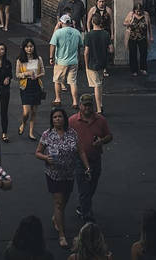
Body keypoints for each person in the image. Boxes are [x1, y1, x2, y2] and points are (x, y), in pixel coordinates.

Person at [35, 107, 91, 248]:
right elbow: (38, 152)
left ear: (64, 118)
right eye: (55, 117)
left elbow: (81, 151)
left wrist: (87, 167)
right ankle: (62, 235)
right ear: (51, 120)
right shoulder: (47, 135)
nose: (57, 119)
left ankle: (56, 217)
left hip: (69, 174)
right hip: (54, 175)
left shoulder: (72, 134)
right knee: (59, 203)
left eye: (60, 116)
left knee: (64, 201)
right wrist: (46, 158)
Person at [69, 94, 112, 223]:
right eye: (85, 105)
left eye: (89, 105)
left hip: (95, 158)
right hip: (79, 161)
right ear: (80, 106)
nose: (87, 107)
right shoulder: (72, 121)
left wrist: (102, 141)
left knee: (92, 186)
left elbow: (109, 136)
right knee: (84, 189)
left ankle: (82, 207)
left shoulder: (100, 120)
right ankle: (87, 216)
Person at [50, 14, 83, 109]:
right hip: (73, 61)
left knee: (57, 80)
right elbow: (80, 45)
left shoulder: (58, 33)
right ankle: (75, 102)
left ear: (61, 23)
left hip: (61, 61)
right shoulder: (77, 32)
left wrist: (51, 58)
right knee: (73, 82)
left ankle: (58, 99)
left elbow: (52, 45)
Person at [16, 38, 45, 140]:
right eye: (27, 47)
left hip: (36, 85)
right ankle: (23, 123)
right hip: (25, 86)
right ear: (24, 48)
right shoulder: (20, 60)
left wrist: (37, 76)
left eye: (31, 46)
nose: (29, 49)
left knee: (34, 111)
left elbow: (43, 72)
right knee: (26, 112)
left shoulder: (38, 59)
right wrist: (26, 74)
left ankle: (31, 132)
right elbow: (17, 74)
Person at [83, 13, 110, 112]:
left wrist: (86, 64)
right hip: (103, 62)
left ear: (92, 22)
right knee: (100, 83)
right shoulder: (106, 34)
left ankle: (98, 108)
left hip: (92, 63)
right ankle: (101, 104)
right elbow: (111, 49)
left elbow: (86, 52)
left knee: (97, 85)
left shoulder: (89, 35)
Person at [87, 0, 114, 76]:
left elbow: (111, 22)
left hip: (105, 32)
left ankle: (104, 68)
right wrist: (89, 32)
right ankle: (95, 66)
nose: (101, 3)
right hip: (95, 32)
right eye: (100, 1)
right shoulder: (93, 10)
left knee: (105, 50)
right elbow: (88, 21)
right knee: (95, 50)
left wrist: (112, 33)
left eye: (103, 1)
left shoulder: (108, 10)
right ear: (97, 2)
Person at [124, 2, 154, 76]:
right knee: (133, 54)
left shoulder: (146, 14)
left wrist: (151, 36)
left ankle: (143, 68)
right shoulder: (131, 14)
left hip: (142, 37)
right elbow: (124, 23)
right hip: (132, 37)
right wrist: (129, 23)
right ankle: (134, 70)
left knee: (143, 53)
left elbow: (149, 26)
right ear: (134, 10)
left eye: (140, 11)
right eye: (137, 11)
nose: (138, 12)